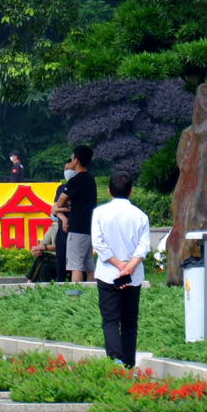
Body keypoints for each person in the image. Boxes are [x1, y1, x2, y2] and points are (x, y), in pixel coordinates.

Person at [90, 172, 152, 366]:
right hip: (132, 276)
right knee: (129, 323)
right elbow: (144, 247)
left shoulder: (99, 213)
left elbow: (98, 244)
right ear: (131, 192)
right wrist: (129, 267)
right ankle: (128, 364)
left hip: (108, 274)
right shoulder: (141, 216)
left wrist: (118, 265)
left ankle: (115, 360)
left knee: (110, 319)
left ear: (109, 191)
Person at [53, 146, 98, 283]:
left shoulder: (75, 181)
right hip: (89, 228)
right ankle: (93, 293)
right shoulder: (91, 179)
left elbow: (59, 203)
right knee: (89, 266)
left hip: (77, 229)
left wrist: (63, 207)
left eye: (72, 158)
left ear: (76, 160)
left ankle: (76, 298)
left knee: (76, 266)